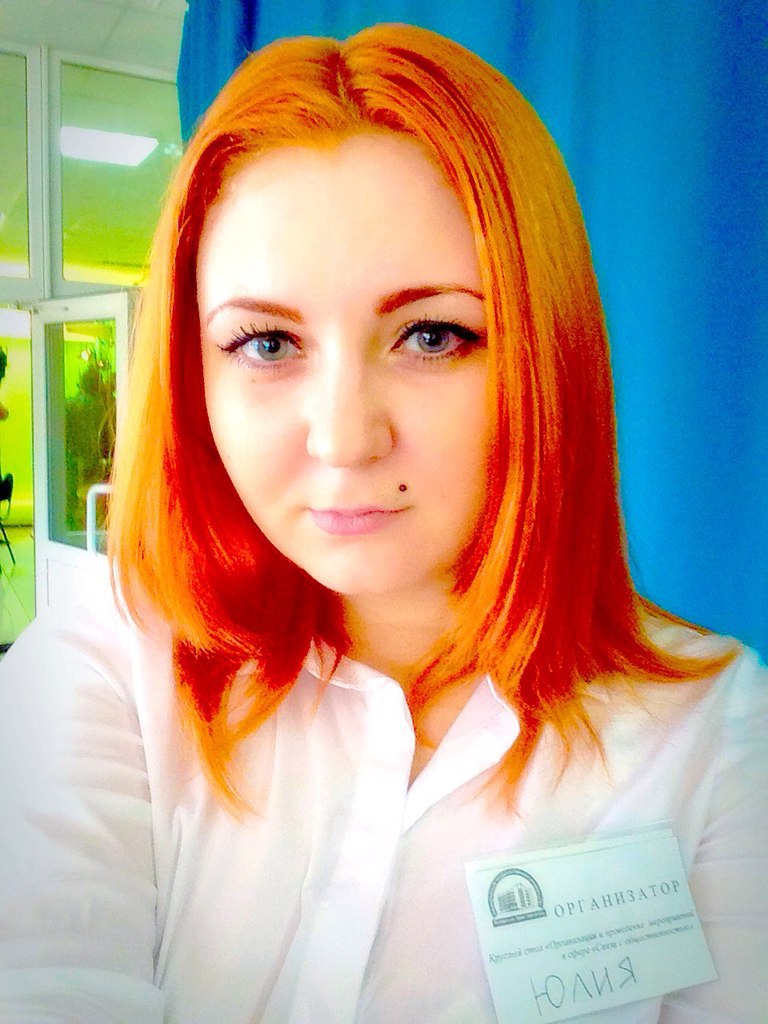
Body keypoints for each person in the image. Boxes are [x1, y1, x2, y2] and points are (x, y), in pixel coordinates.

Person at [0, 23, 765, 1024]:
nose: (345, 438)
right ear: (193, 374)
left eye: (432, 336)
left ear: (543, 350)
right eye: (266, 343)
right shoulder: (105, 664)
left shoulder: (712, 734)